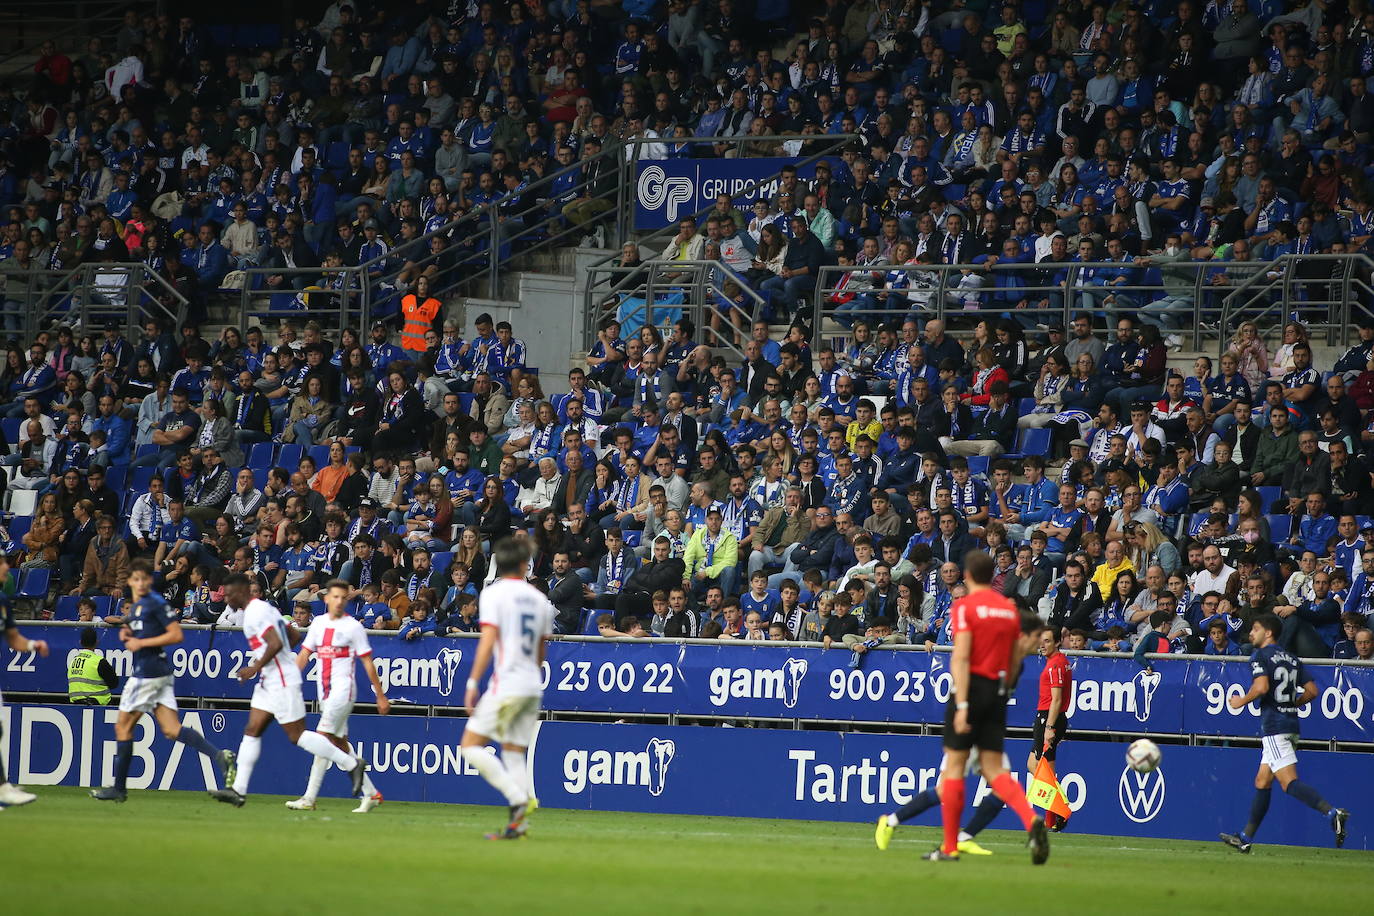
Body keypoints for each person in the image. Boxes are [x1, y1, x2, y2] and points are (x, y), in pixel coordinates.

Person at [923, 551, 1048, 863]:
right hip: (997, 691)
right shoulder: (1007, 609)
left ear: (967, 575)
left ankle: (950, 847)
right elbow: (1014, 654)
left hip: (971, 689)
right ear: (993, 573)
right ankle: (1031, 820)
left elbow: (961, 657)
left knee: (954, 768)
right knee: (994, 769)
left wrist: (963, 704)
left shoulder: (964, 607)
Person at [210, 573, 373, 807]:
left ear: (240, 592)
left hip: (280, 680)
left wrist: (254, 667)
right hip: (270, 679)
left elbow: (276, 642)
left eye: (229, 594)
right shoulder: (265, 610)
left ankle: (351, 764)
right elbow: (293, 635)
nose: (227, 600)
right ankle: (238, 790)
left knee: (297, 736)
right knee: (252, 729)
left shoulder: (255, 613)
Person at [91, 560, 235, 802]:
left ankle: (119, 788)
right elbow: (141, 632)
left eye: (143, 579)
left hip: (147, 674)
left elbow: (176, 633)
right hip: (159, 673)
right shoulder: (137, 608)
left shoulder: (155, 603)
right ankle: (220, 756)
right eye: (135, 579)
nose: (139, 583)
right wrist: (129, 633)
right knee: (171, 729)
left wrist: (141, 643)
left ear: (149, 581)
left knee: (123, 726)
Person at [1220, 614, 1349, 853]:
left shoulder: (1260, 655)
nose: (1251, 634)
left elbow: (1261, 687)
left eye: (1255, 629)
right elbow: (1312, 691)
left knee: (1288, 782)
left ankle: (1332, 813)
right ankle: (1245, 837)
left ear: (1268, 633)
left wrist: (1241, 701)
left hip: (1275, 727)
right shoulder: (1291, 658)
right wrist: (1292, 704)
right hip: (1290, 724)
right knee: (1262, 780)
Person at [459, 537, 554, 840]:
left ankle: (518, 798)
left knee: (470, 746)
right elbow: (542, 649)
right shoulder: (539, 599)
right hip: (531, 684)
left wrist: (473, 682)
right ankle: (518, 826)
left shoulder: (494, 594)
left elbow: (488, 640)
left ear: (498, 562)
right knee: (513, 752)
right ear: (526, 564)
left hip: (508, 683)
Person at [287, 579, 391, 813]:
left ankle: (311, 796)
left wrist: (380, 695)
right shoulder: (319, 624)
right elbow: (304, 654)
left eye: (343, 598)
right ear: (326, 599)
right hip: (323, 691)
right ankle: (371, 793)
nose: (338, 601)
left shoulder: (353, 627)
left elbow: (367, 661)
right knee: (337, 743)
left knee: (322, 739)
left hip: (343, 690)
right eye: (335, 597)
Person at [0, 553, 50, 806]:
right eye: (1, 564)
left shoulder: (3, 601)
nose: (6, 568)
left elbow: (12, 638)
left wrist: (33, 644)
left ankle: (2, 787)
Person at [1032, 624, 1071, 830]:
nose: (1043, 644)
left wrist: (1049, 727)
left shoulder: (1056, 664)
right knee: (1034, 765)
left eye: (1047, 640)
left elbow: (1056, 700)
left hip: (1049, 717)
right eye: (1041, 640)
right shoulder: (1059, 662)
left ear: (1057, 642)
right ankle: (1057, 810)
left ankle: (1059, 813)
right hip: (1046, 717)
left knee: (1045, 769)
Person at [67, 625, 118, 705]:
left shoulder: (73, 661)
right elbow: (114, 683)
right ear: (96, 642)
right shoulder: (99, 662)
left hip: (76, 706)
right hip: (99, 706)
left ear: (80, 642)